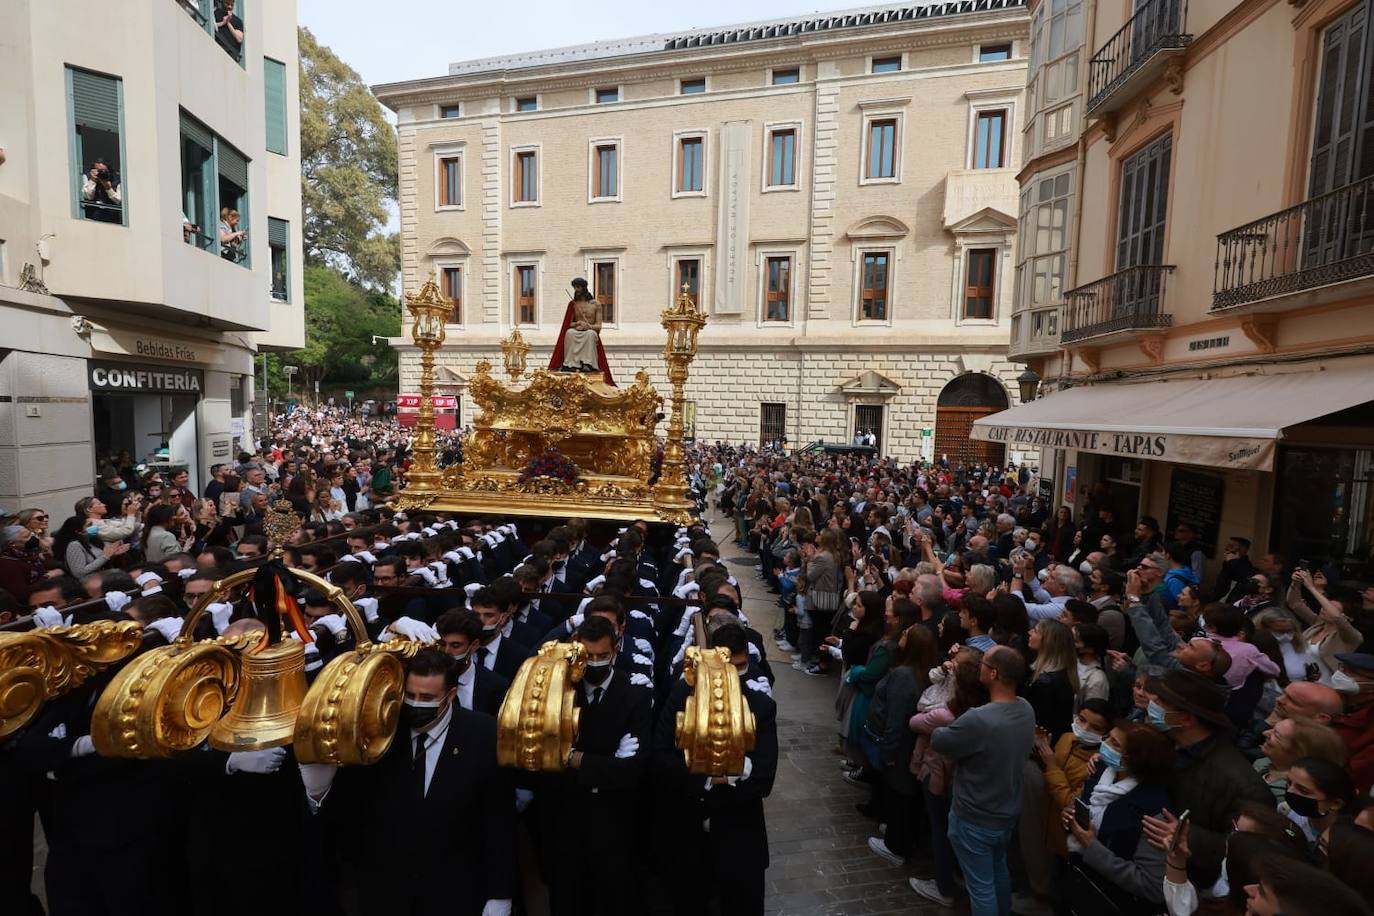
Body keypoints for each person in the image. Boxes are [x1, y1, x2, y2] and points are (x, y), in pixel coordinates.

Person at [300, 649, 516, 915]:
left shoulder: (483, 734)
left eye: (427, 698)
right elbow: (349, 810)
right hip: (385, 889)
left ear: (450, 696)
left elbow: (498, 820)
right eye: (410, 695)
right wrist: (317, 791)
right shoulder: (379, 732)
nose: (416, 704)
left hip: (454, 889)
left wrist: (500, 895)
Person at [534, 615, 652, 916]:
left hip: (614, 827)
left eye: (603, 655)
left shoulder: (635, 693)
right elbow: (545, 761)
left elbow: (632, 771)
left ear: (615, 651)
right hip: (564, 823)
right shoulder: (559, 692)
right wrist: (604, 762)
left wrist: (575, 757)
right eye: (590, 656)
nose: (596, 663)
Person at [1138, 669, 1275, 889]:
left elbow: (1248, 850)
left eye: (1160, 703)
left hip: (1189, 884)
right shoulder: (1161, 743)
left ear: (1186, 718)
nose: (1149, 705)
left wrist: (1187, 836)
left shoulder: (1242, 785)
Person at [930, 646, 1036, 916]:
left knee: (980, 886)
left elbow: (941, 740)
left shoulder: (980, 719)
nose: (980, 667)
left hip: (975, 815)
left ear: (995, 673)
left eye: (984, 663)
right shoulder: (1025, 708)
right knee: (998, 870)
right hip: (1005, 810)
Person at [1062, 722, 1176, 913]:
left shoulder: (1153, 811)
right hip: (1078, 882)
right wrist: (1070, 813)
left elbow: (1151, 885)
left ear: (1135, 759)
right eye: (1108, 737)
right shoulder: (1101, 772)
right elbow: (1085, 805)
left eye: (1114, 743)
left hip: (1112, 902)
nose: (1104, 743)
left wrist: (1092, 848)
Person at [1329, 651, 1374, 794]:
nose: (1341, 675)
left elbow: (1359, 770)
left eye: (1352, 672)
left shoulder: (1369, 720)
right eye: (1343, 668)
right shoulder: (1331, 699)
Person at [550, 277, 610, 381]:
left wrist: (588, 326)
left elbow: (598, 327)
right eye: (574, 288)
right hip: (577, 330)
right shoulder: (573, 304)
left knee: (590, 334)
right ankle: (571, 364)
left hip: (590, 331)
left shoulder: (596, 304)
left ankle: (588, 364)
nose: (576, 290)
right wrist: (577, 323)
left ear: (584, 288)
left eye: (578, 287)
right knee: (569, 333)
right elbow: (568, 324)